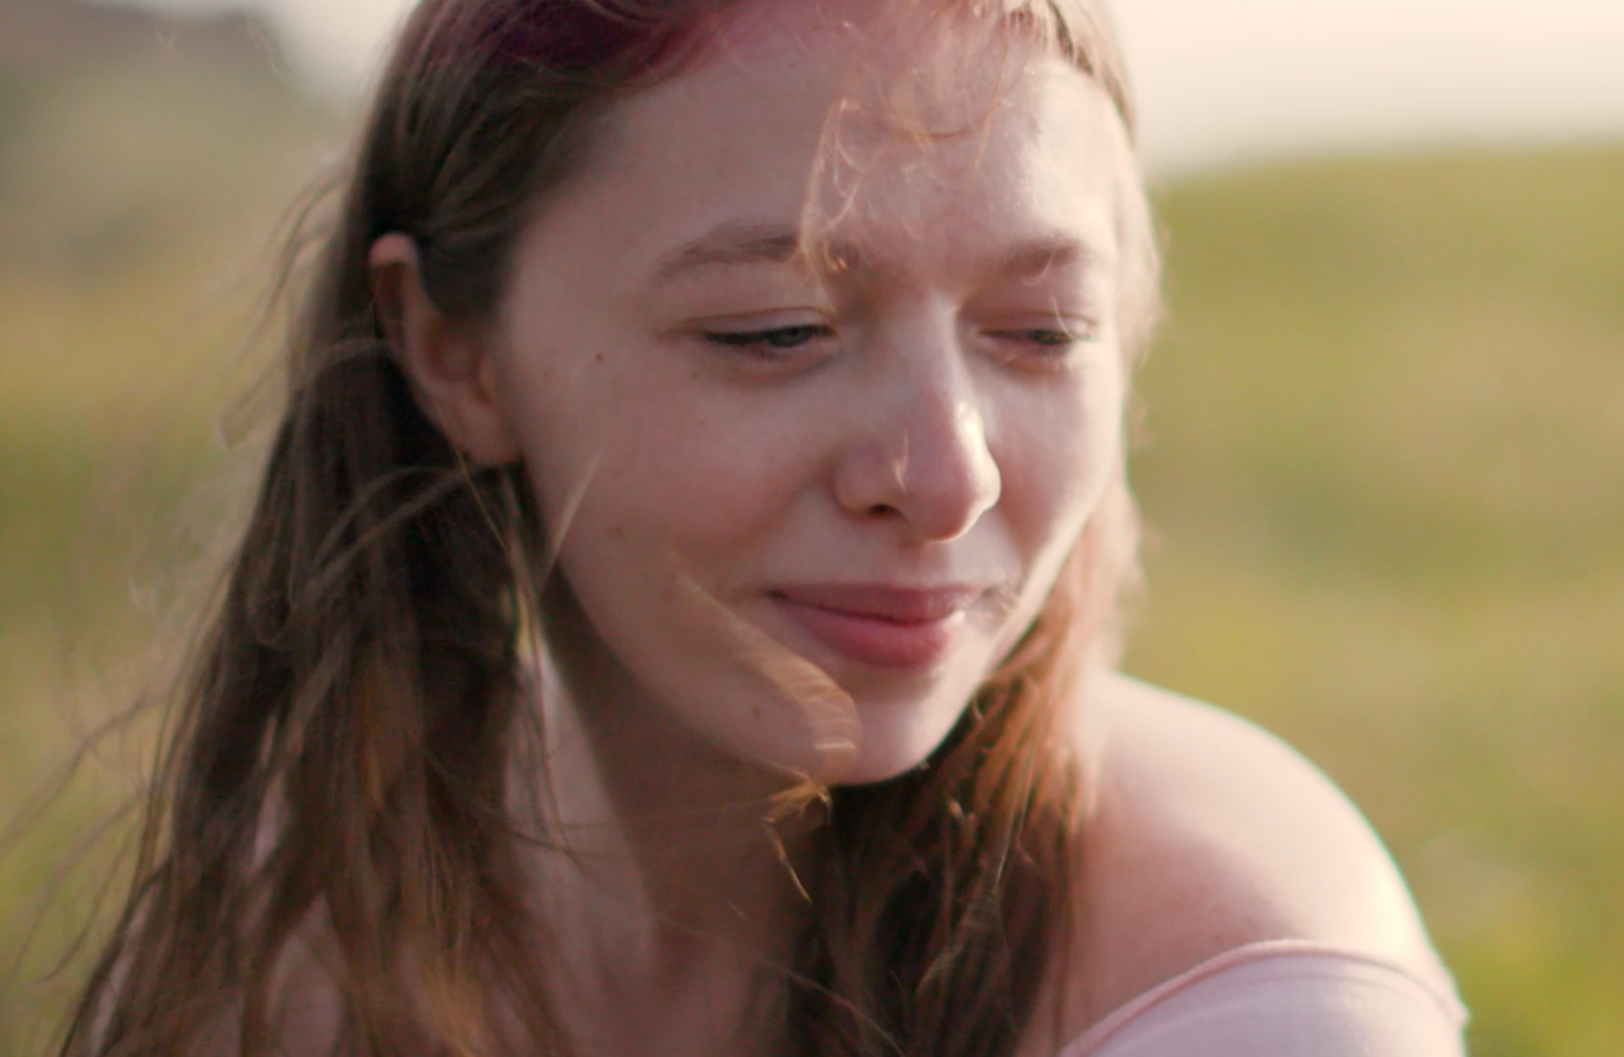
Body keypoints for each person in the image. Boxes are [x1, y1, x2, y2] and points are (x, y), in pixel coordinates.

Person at [61, 0, 1468, 1054]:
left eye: (1039, 333)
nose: (945, 473)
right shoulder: (317, 931)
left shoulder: (1237, 981)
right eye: (776, 330)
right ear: (452, 352)